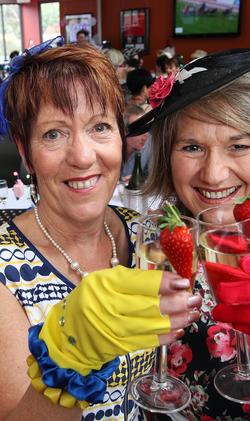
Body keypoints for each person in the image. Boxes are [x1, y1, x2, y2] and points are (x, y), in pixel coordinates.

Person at [0, 37, 201, 420]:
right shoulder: (5, 272)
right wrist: (70, 358)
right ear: (26, 154)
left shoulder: (146, 237)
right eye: (53, 134)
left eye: (100, 127)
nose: (82, 156)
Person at [128, 41, 250, 420]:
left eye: (239, 145)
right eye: (192, 147)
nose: (213, 174)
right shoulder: (152, 244)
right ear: (166, 156)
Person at [121, 104, 151, 180]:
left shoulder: (149, 146)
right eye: (139, 131)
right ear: (124, 131)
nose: (145, 135)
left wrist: (141, 179)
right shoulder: (112, 150)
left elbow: (153, 175)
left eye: (146, 129)